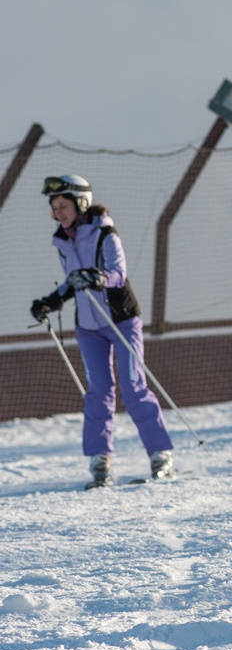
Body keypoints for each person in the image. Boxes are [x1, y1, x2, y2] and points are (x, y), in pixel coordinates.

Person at [29, 175, 174, 489]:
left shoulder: (105, 232)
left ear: (80, 203)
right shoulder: (62, 239)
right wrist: (50, 302)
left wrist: (94, 277)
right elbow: (71, 280)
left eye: (63, 205)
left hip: (121, 319)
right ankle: (100, 461)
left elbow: (118, 274)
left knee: (134, 388)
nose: (58, 212)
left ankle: (161, 454)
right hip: (89, 326)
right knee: (98, 392)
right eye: (54, 207)